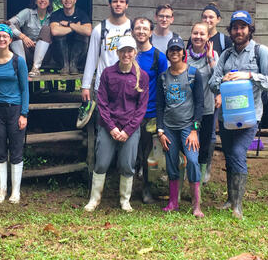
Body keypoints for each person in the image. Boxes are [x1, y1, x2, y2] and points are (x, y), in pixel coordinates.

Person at [209, 10, 268, 219]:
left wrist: (248, 75)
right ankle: (230, 199)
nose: (239, 31)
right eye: (235, 27)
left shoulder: (260, 52)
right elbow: (213, 83)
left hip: (250, 116)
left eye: (243, 27)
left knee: (238, 153)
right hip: (227, 117)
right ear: (230, 31)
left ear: (250, 29)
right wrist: (225, 80)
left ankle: (237, 206)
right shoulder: (226, 55)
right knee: (230, 155)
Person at [84, 36, 148, 212]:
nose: (126, 54)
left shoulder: (142, 76)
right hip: (108, 125)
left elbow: (141, 108)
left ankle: (124, 200)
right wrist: (111, 127)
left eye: (130, 51)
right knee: (102, 163)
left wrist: (127, 131)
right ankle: (94, 199)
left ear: (135, 52)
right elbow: (102, 103)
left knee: (127, 164)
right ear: (117, 52)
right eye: (123, 51)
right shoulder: (108, 73)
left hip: (130, 128)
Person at [156, 36, 205, 218]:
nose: (175, 53)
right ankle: (173, 202)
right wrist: (160, 130)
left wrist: (194, 129)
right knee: (171, 163)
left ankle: (196, 205)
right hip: (168, 127)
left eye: (178, 50)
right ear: (168, 54)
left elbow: (199, 104)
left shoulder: (193, 74)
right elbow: (160, 106)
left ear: (184, 53)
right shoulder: (163, 77)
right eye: (172, 50)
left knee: (192, 160)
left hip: (187, 127)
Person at [0, 24, 29, 204]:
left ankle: (15, 191)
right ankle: (2, 190)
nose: (2, 39)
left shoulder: (19, 61)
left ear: (10, 39)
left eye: (5, 36)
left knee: (16, 150)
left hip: (15, 109)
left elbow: (25, 90)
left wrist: (24, 113)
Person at [78, 0, 132, 128]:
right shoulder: (99, 29)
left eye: (122, 1)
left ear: (127, 5)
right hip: (103, 86)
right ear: (109, 4)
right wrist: (85, 86)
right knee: (103, 127)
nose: (118, 4)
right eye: (115, 1)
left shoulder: (133, 28)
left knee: (126, 126)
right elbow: (91, 59)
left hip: (127, 85)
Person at [131, 17, 168, 203]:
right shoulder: (128, 54)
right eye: (137, 28)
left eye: (145, 28)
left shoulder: (158, 57)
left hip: (150, 113)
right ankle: (126, 190)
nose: (141, 31)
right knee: (131, 153)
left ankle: (146, 189)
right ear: (132, 32)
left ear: (151, 32)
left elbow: (164, 85)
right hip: (129, 113)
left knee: (146, 154)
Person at [200, 2, 232, 185]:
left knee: (211, 132)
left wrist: (221, 93)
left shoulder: (224, 41)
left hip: (216, 94)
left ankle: (207, 168)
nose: (207, 20)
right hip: (200, 91)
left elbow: (228, 68)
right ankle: (193, 166)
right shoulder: (196, 37)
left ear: (218, 20)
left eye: (211, 17)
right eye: (204, 17)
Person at [186, 22, 219, 190]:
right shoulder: (183, 55)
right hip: (185, 109)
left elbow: (218, 79)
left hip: (206, 108)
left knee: (204, 143)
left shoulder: (213, 55)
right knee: (187, 144)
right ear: (191, 35)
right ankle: (186, 176)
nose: (198, 37)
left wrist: (210, 59)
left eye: (202, 34)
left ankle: (200, 176)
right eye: (195, 33)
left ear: (208, 37)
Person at [7, 0, 54, 77]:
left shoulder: (53, 16)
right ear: (35, 1)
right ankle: (22, 67)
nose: (42, 0)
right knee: (14, 31)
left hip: (45, 56)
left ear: (49, 2)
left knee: (46, 29)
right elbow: (8, 24)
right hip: (26, 52)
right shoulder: (27, 12)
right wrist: (23, 36)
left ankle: (35, 68)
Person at [49, 0, 92, 75]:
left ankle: (73, 65)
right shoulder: (56, 15)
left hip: (78, 55)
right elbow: (55, 31)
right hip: (59, 55)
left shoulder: (82, 14)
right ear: (61, 0)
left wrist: (69, 24)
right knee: (60, 35)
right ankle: (65, 66)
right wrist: (75, 27)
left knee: (83, 34)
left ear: (75, 0)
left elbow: (88, 31)